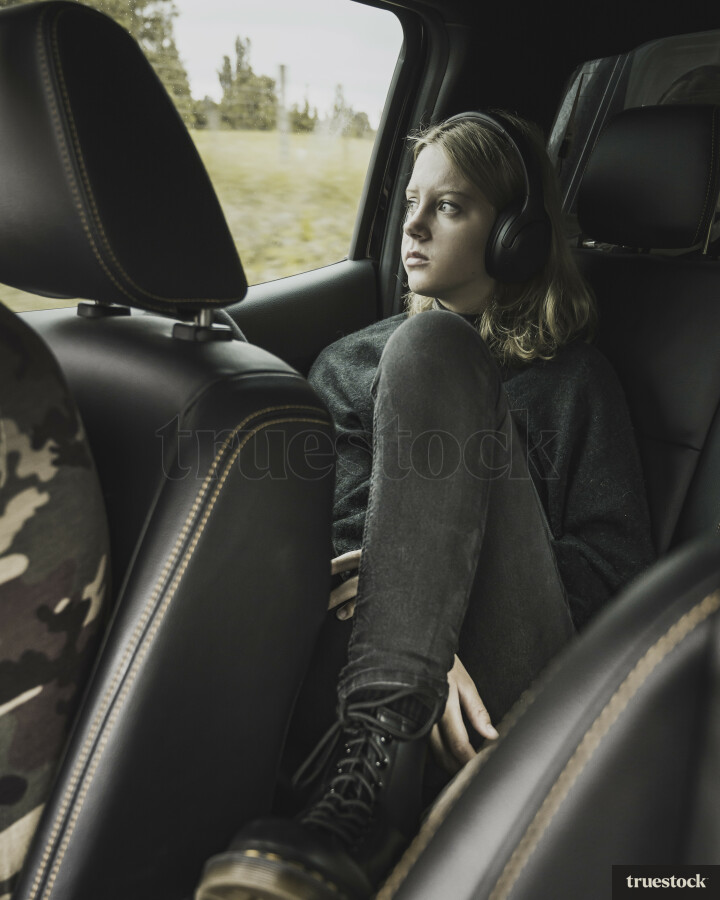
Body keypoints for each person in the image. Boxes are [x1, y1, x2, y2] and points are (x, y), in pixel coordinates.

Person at [194, 110, 655, 900]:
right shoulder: (349, 365)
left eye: (448, 206)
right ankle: (363, 782)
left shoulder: (578, 384)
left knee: (435, 344)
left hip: (522, 690)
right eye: (411, 200)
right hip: (357, 666)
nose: (411, 226)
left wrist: (447, 617)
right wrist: (421, 646)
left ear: (514, 237)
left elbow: (614, 579)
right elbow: (333, 547)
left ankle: (365, 799)